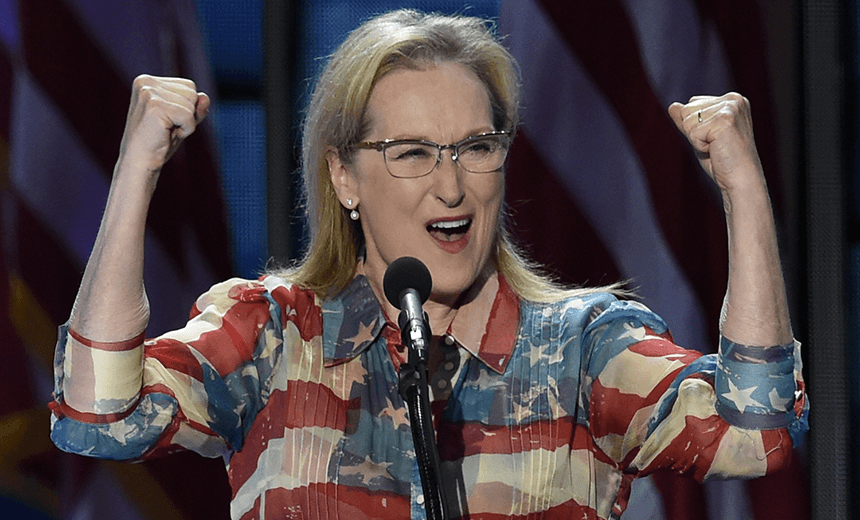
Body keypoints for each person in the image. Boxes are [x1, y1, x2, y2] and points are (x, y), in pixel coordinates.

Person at [49, 9, 807, 520]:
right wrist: (136, 171)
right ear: (344, 176)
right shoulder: (275, 334)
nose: (452, 186)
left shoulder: (582, 348)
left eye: (476, 147)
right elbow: (97, 417)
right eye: (411, 153)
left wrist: (743, 189)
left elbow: (756, 434)